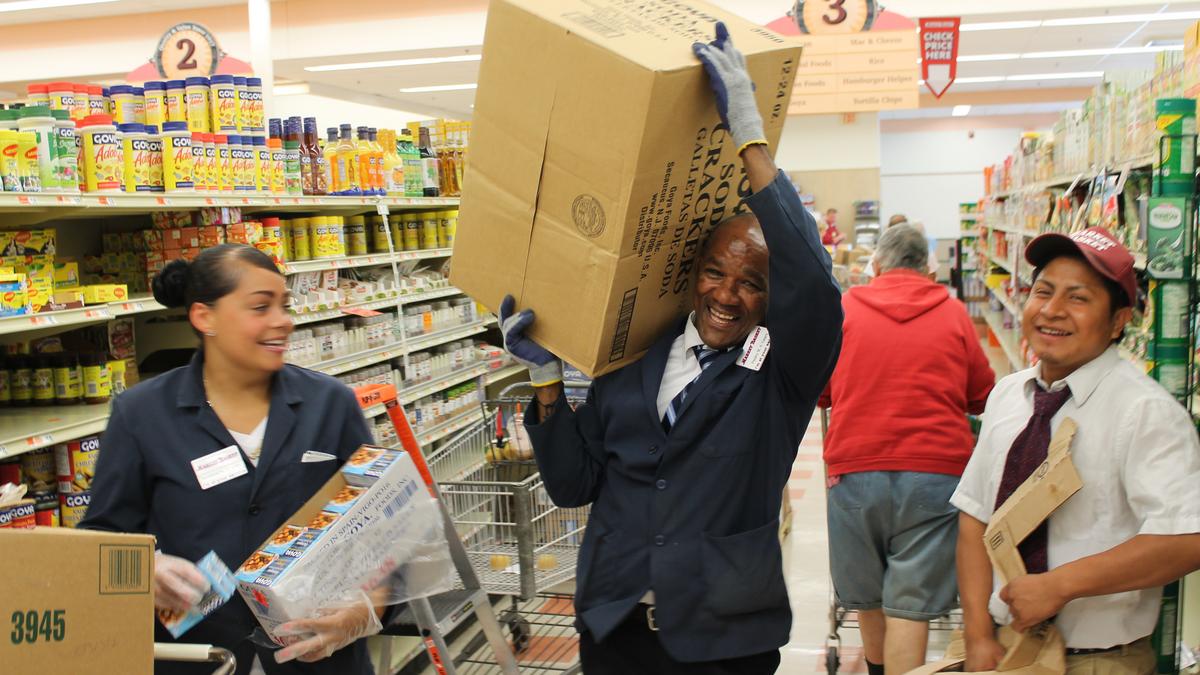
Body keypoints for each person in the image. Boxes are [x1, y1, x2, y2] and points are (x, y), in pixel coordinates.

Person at [498, 23, 843, 674]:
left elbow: (819, 289)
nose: (727, 294)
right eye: (716, 272)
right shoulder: (633, 360)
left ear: (771, 299)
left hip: (723, 640)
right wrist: (546, 380)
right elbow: (574, 485)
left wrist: (748, 133)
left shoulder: (783, 376)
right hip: (615, 626)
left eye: (752, 283)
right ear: (692, 273)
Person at [82, 244, 384, 674]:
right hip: (199, 657)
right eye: (261, 307)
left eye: (284, 305)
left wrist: (362, 614)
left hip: (319, 660)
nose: (283, 321)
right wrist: (143, 568)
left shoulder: (330, 404)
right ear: (204, 317)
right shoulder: (141, 414)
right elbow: (99, 540)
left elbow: (383, 531)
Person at [951, 226, 1200, 674]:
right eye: (1042, 291)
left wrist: (1060, 585)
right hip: (1004, 645)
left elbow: (1186, 539)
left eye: (1078, 298)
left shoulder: (1144, 412)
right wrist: (977, 636)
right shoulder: (1009, 395)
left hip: (1099, 661)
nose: (1051, 310)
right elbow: (974, 515)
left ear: (1120, 320)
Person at [819, 224, 994, 675]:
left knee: (868, 595)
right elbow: (982, 394)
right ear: (928, 270)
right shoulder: (953, 313)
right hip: (935, 477)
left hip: (855, 472)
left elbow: (820, 391)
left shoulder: (844, 310)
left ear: (876, 266)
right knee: (910, 604)